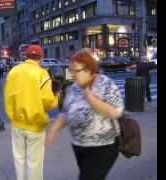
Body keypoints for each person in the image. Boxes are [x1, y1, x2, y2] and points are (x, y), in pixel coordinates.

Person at [46, 49, 124, 180]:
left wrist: (92, 100)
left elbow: (116, 112)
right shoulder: (74, 88)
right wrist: (53, 130)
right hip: (79, 146)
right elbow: (66, 113)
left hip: (103, 147)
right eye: (71, 70)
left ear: (89, 69)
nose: (72, 75)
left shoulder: (105, 84)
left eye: (76, 71)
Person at [4, 45, 60, 180]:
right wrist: (56, 98)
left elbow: (8, 96)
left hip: (17, 123)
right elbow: (47, 101)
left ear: (26, 57)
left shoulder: (14, 72)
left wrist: (12, 116)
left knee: (19, 158)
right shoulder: (42, 73)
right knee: (34, 162)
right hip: (35, 124)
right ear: (41, 58)